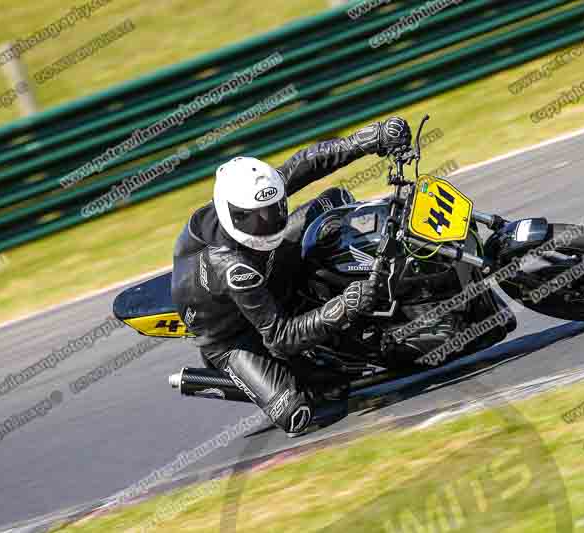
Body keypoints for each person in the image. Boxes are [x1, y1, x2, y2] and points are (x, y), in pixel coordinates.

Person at [171, 117, 412, 436]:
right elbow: (281, 338)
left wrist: (368, 139)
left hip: (268, 270)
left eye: (275, 209)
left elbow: (307, 162)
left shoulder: (249, 198)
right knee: (301, 412)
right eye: (257, 218)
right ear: (234, 216)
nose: (269, 221)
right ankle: (217, 377)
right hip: (234, 335)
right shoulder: (232, 267)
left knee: (333, 205)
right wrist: (343, 307)